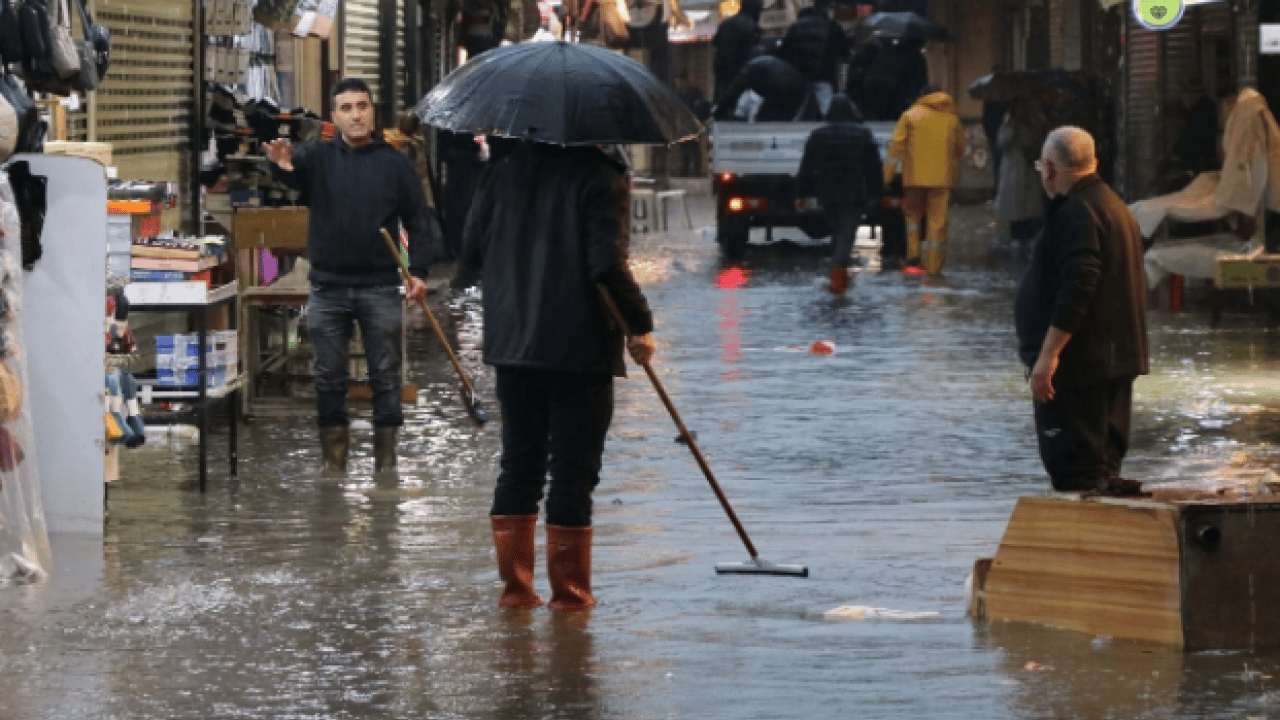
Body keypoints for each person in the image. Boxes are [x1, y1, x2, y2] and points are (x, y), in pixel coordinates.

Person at [455, 140, 655, 612]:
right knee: (571, 471)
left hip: (514, 343)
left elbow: (469, 255)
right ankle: (570, 601)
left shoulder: (501, 171)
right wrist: (640, 325)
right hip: (579, 346)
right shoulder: (601, 176)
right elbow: (606, 264)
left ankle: (517, 596)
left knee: (519, 465)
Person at [264, 78, 438, 473]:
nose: (356, 115)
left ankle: (387, 467)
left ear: (373, 111)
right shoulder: (316, 158)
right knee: (328, 377)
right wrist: (279, 166)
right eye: (346, 108)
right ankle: (334, 466)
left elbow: (419, 221)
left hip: (380, 287)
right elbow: (292, 177)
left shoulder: (394, 162)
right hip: (328, 287)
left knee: (386, 377)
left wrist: (419, 272)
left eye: (362, 106)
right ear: (334, 116)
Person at [1013, 126, 1149, 496]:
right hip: (1113, 360)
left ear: (1053, 168)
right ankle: (1103, 546)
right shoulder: (1115, 207)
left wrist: (1048, 355)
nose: (1042, 172)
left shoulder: (1078, 212)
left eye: (1042, 164)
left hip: (1080, 368)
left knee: (1077, 470)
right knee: (1102, 470)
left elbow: (1080, 284)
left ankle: (1081, 547)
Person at [794, 94, 883, 293]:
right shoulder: (862, 134)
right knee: (846, 237)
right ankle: (837, 280)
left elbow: (807, 166)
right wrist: (875, 192)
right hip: (853, 194)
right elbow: (873, 167)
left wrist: (801, 194)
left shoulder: (818, 134)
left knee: (839, 233)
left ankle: (838, 276)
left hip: (827, 194)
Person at [883, 86, 965, 274]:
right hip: (942, 179)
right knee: (937, 221)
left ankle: (913, 257)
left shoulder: (910, 115)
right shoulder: (952, 119)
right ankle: (934, 268)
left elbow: (896, 149)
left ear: (922, 97)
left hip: (914, 178)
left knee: (912, 216)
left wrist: (886, 178)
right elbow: (961, 148)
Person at [778, 0, 849, 115]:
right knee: (827, 109)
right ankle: (829, 128)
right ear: (826, 8)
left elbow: (785, 52)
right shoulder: (832, 25)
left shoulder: (796, 26)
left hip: (800, 74)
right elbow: (843, 51)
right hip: (823, 74)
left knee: (798, 108)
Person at [994, 97, 1046, 243]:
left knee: (1032, 208)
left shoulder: (1038, 122)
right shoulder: (1009, 123)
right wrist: (1012, 129)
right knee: (1015, 209)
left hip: (1030, 168)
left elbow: (1037, 142)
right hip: (1013, 170)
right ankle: (1016, 237)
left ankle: (1030, 237)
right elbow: (1001, 142)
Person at [713, 52, 809, 123]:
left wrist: (720, 110)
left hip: (779, 88)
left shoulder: (749, 68)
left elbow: (734, 91)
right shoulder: (764, 63)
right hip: (799, 87)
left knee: (764, 121)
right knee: (782, 121)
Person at [712, 0, 764, 102]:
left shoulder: (726, 23)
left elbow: (714, 43)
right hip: (739, 78)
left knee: (721, 106)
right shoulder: (752, 26)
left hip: (722, 75)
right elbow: (753, 55)